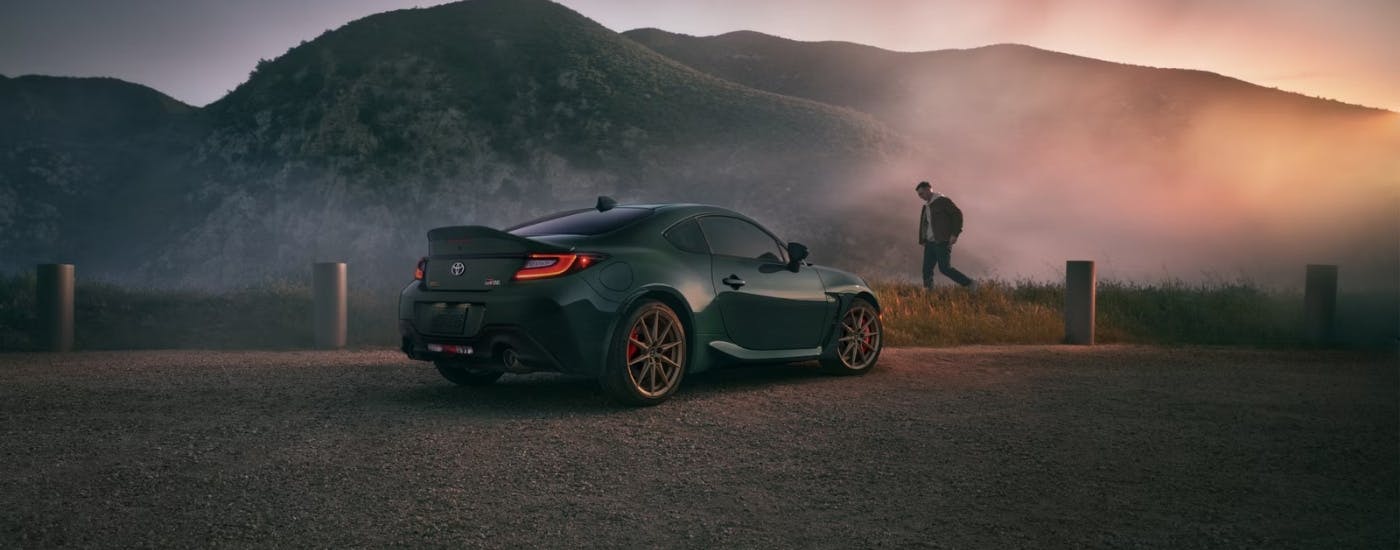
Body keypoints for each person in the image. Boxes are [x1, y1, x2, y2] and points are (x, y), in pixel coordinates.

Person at [916, 181, 976, 290]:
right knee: (926, 269)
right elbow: (925, 224)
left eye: (922, 193)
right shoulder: (926, 206)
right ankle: (928, 291)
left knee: (945, 268)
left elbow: (957, 215)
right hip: (930, 243)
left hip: (942, 241)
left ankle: (969, 284)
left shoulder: (943, 201)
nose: (921, 197)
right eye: (919, 195)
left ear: (928, 189)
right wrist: (923, 239)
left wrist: (955, 234)